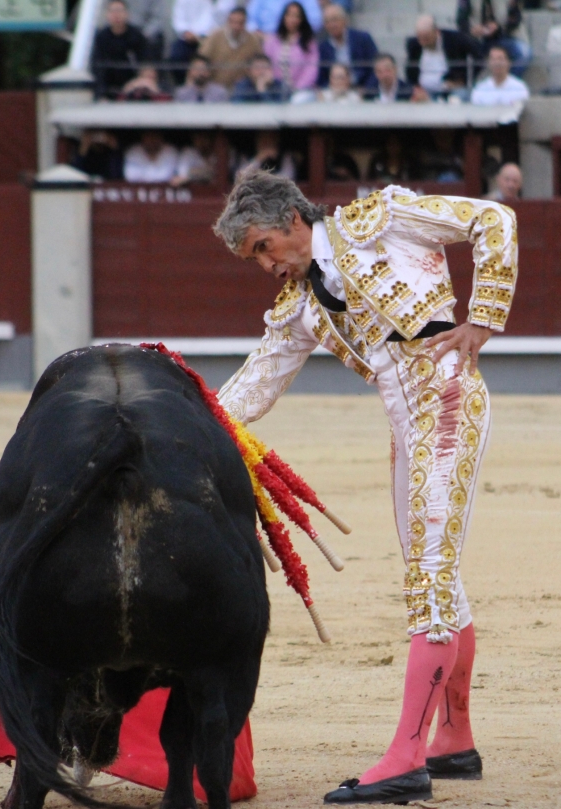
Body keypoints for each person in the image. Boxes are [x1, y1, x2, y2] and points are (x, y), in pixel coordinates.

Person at [213, 169, 518, 806]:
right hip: (407, 422)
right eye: (253, 259)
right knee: (434, 572)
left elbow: (495, 219)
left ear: (291, 222)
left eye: (263, 248)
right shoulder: (298, 303)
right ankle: (453, 738)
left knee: (430, 575)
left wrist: (483, 321)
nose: (265, 266)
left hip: (450, 395)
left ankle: (407, 758)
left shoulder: (384, 220)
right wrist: (186, 413)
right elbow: (253, 386)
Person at [406, 14, 483, 99]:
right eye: (420, 38)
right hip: (425, 92)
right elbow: (410, 71)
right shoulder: (414, 45)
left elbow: (478, 56)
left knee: (461, 96)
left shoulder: (455, 39)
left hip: (451, 89)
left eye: (427, 38)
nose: (424, 43)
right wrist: (416, 88)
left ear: (436, 32)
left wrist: (464, 80)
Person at [457, 0, 530, 77]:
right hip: (477, 40)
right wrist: (471, 30)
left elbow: (515, 18)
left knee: (524, 53)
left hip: (504, 37)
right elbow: (461, 20)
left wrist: (498, 27)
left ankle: (505, 83)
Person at [92, 0, 148, 99]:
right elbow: (97, 67)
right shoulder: (101, 38)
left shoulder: (137, 36)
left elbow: (146, 63)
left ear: (127, 14)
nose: (116, 15)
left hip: (133, 86)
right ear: (107, 15)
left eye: (120, 11)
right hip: (108, 86)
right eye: (113, 11)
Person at [169, 0, 235, 84]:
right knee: (177, 56)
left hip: (215, 39)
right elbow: (179, 20)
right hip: (189, 38)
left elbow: (227, 18)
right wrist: (187, 32)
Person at [199, 7, 262, 90]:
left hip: (242, 89)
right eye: (233, 22)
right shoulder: (215, 37)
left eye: (240, 23)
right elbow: (201, 59)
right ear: (228, 21)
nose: (236, 26)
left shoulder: (253, 41)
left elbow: (260, 62)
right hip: (215, 87)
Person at [317, 4, 378, 89]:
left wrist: (366, 90)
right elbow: (321, 77)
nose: (332, 25)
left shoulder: (363, 39)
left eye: (335, 20)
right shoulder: (323, 47)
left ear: (345, 20)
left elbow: (375, 67)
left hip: (362, 88)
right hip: (335, 92)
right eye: (327, 21)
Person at [263, 2, 319, 91]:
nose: (292, 19)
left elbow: (311, 69)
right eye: (289, 15)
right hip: (276, 89)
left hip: (301, 91)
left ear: (301, 19)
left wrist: (298, 88)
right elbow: (266, 64)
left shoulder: (308, 41)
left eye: (296, 16)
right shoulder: (272, 40)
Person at [246, 0, 321, 36]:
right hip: (265, 39)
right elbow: (249, 20)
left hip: (297, 40)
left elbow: (315, 21)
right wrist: (260, 35)